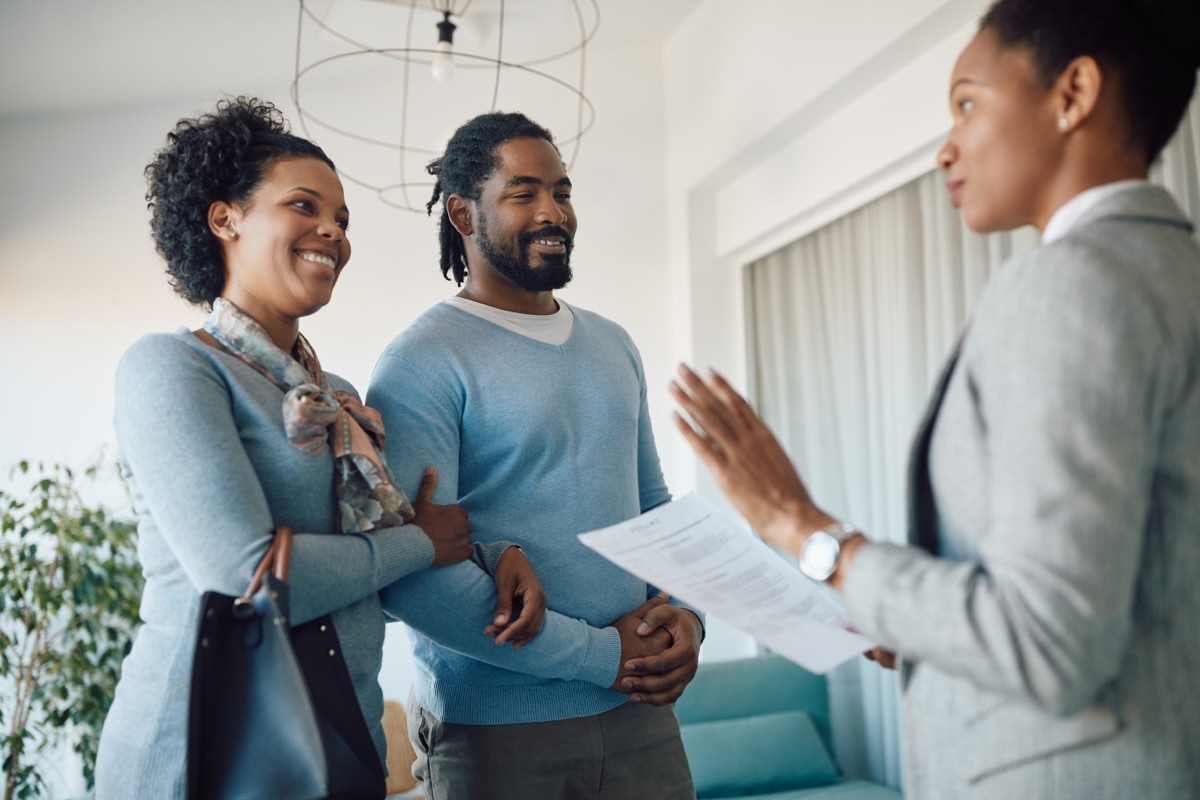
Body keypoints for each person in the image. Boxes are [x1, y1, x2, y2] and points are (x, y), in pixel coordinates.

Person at [670, 0, 1200, 798]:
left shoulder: (1071, 284)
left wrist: (806, 531)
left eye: (966, 103)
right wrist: (899, 614)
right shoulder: (1175, 276)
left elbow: (1050, 643)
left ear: (1074, 93)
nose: (946, 148)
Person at [94, 97, 545, 799]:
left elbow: (383, 554)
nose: (331, 231)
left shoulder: (336, 395)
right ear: (225, 218)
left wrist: (493, 553)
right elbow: (247, 580)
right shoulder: (172, 369)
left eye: (341, 220)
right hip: (199, 757)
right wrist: (424, 545)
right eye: (304, 206)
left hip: (339, 745)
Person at [365, 112, 702, 799]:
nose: (553, 212)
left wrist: (689, 617)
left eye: (563, 191)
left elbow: (654, 512)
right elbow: (415, 577)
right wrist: (604, 657)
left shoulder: (614, 344)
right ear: (462, 213)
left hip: (640, 717)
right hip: (497, 737)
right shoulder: (420, 362)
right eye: (523, 194)